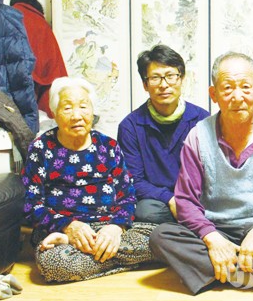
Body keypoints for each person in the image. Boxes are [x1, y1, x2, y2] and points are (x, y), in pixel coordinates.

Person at [150, 52, 253, 298]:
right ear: (213, 94)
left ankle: (223, 271)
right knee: (161, 237)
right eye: (227, 88)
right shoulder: (197, 136)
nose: (237, 97)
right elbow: (185, 200)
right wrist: (211, 238)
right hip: (217, 228)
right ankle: (252, 277)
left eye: (245, 87)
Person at [22, 77, 156, 282]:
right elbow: (31, 205)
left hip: (108, 228)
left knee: (162, 238)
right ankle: (123, 259)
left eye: (83, 107)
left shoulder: (108, 146)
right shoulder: (41, 148)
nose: (77, 115)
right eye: (67, 108)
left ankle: (95, 254)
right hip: (61, 231)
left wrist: (116, 228)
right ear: (55, 113)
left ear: (92, 112)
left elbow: (127, 197)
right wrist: (67, 227)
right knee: (53, 263)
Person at [118, 45, 209, 223]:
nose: (164, 84)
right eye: (155, 78)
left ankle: (190, 217)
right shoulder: (130, 126)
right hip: (159, 201)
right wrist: (170, 199)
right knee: (145, 211)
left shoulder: (201, 119)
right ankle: (192, 219)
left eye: (170, 76)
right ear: (145, 84)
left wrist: (186, 201)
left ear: (182, 79)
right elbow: (134, 180)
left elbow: (211, 172)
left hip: (196, 197)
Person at [10, 0, 68, 118]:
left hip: (15, 83)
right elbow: (55, 66)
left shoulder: (10, 17)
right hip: (42, 90)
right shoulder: (43, 25)